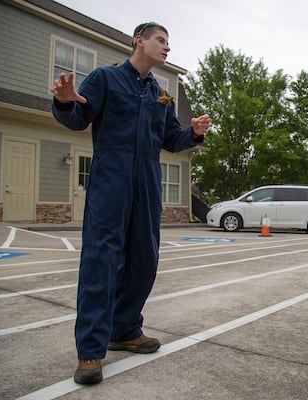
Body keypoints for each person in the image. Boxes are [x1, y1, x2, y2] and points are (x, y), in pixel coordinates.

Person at [50, 22, 211, 385]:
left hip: (148, 185)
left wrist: (194, 133)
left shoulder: (161, 93)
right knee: (101, 262)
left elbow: (171, 139)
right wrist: (63, 100)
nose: (167, 47)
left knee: (144, 259)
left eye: (169, 42)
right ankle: (91, 350)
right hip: (111, 182)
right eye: (161, 40)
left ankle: (124, 330)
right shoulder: (105, 79)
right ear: (139, 41)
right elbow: (77, 118)